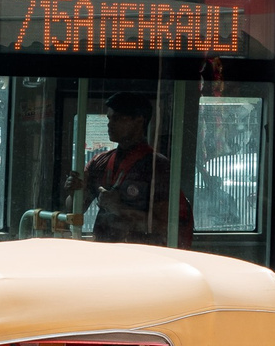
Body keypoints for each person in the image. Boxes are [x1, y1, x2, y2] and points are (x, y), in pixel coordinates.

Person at [75, 91, 193, 245]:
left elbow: (166, 227)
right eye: (109, 118)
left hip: (142, 256)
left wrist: (119, 208)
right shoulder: (100, 161)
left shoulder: (158, 167)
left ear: (139, 121)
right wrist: (76, 191)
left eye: (117, 118)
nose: (110, 124)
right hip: (104, 252)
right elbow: (74, 211)